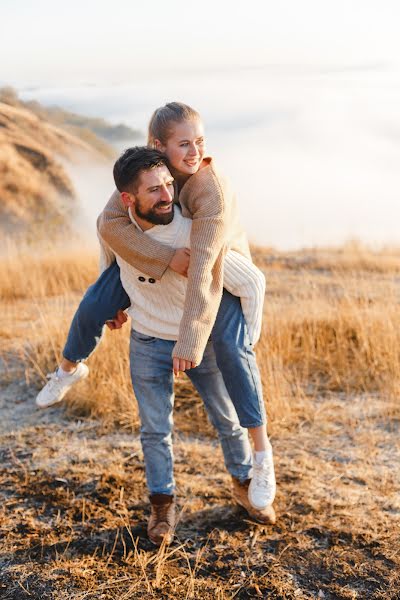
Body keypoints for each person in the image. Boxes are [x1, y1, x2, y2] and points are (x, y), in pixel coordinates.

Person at [36, 102, 275, 514]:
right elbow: (109, 227)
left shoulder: (207, 190)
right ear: (158, 146)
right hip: (160, 300)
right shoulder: (146, 173)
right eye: (184, 143)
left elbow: (203, 271)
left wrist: (192, 340)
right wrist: (125, 292)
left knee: (234, 360)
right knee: (95, 301)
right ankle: (68, 369)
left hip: (221, 269)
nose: (194, 151)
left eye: (199, 141)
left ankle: (258, 463)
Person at [103, 146, 275, 544]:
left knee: (227, 419)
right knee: (154, 430)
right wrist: (112, 305)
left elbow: (251, 281)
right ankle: (162, 506)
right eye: (154, 191)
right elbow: (109, 264)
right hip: (147, 340)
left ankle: (246, 486)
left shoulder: (194, 230)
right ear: (129, 200)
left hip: (200, 341)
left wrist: (242, 345)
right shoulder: (118, 230)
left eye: (168, 185)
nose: (166, 196)